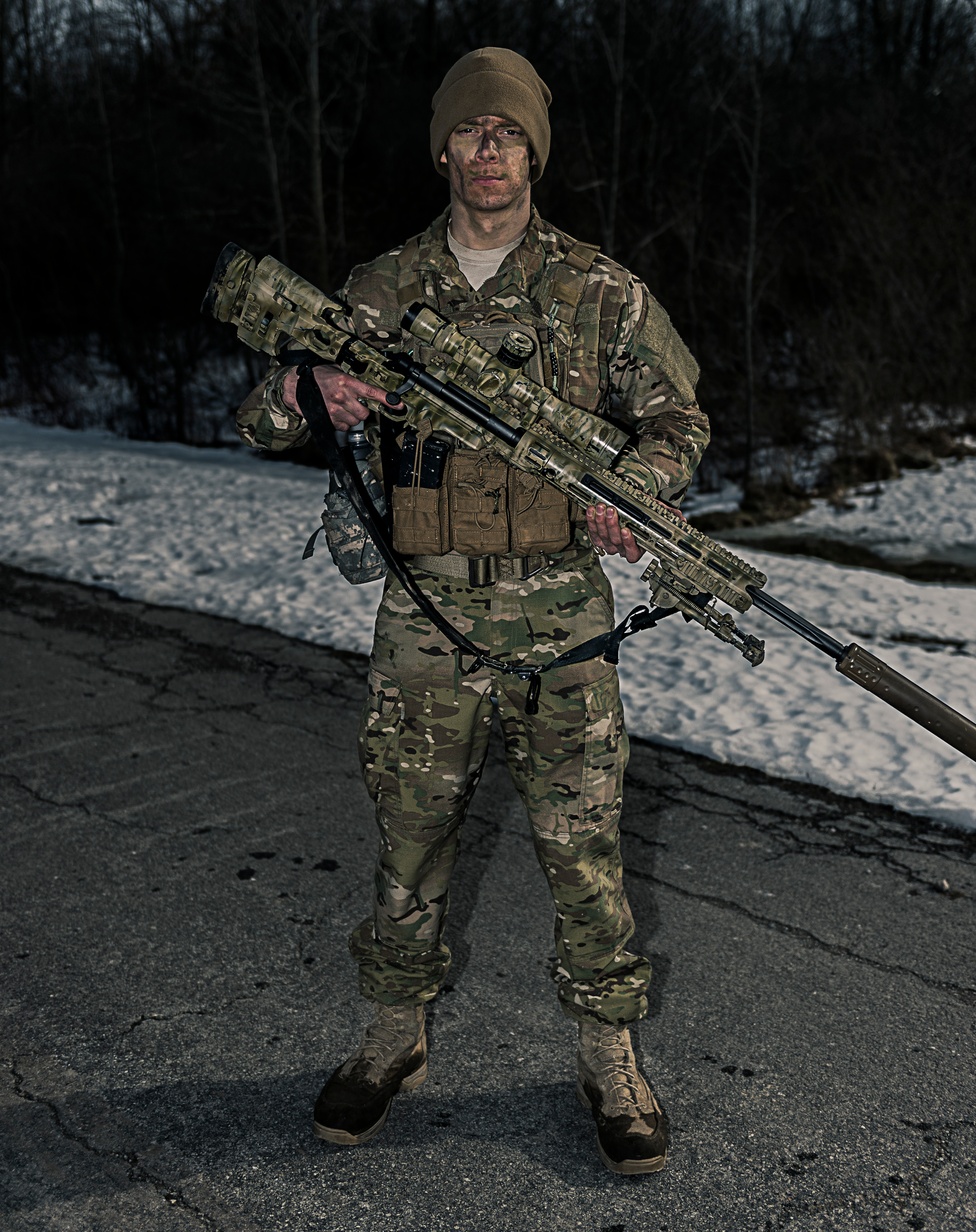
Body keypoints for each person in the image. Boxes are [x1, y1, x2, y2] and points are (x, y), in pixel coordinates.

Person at [236, 47, 709, 1175]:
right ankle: (394, 1033)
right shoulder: (379, 289)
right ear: (442, 149)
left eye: (509, 132)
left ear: (532, 151)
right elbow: (262, 415)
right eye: (469, 131)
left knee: (583, 846)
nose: (489, 151)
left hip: (560, 621)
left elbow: (680, 423)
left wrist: (633, 492)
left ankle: (608, 1052)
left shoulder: (602, 291)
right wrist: (306, 389)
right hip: (425, 616)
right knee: (409, 839)